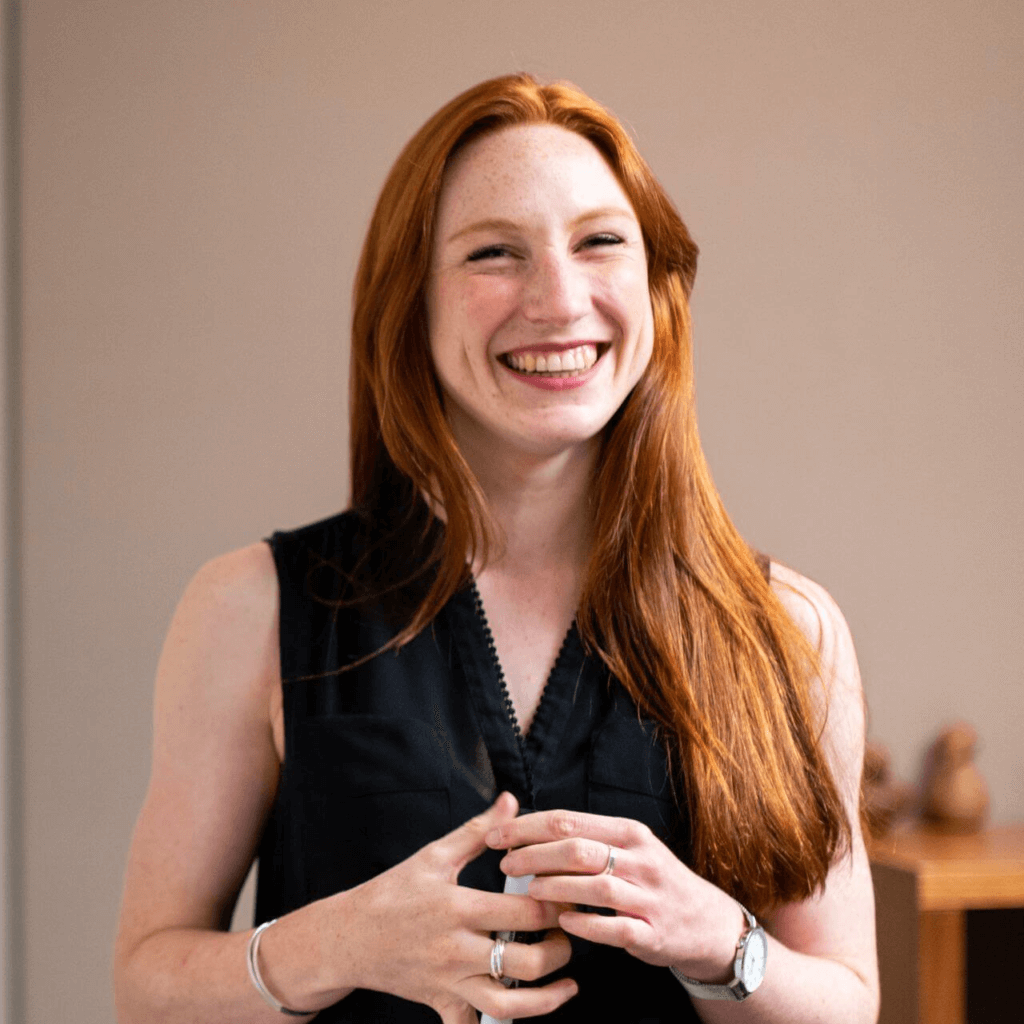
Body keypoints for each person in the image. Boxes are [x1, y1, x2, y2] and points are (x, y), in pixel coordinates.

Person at [113, 73, 879, 1024]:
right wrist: (336, 945)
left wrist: (722, 941)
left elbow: (848, 1005)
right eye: (494, 254)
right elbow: (145, 988)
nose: (559, 300)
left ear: (655, 285)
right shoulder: (250, 610)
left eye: (600, 242)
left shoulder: (791, 632)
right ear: (411, 305)